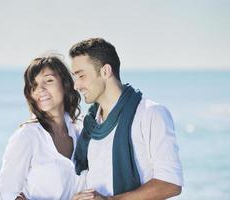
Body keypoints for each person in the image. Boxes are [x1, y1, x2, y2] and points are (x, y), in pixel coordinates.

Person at [70, 38, 183, 200]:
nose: (76, 85)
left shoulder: (150, 113)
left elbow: (170, 183)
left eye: (81, 76)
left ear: (105, 71)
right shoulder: (90, 125)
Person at [0, 55, 82, 200]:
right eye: (33, 85)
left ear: (65, 85)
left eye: (48, 81)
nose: (40, 89)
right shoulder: (27, 136)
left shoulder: (80, 133)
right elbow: (4, 195)